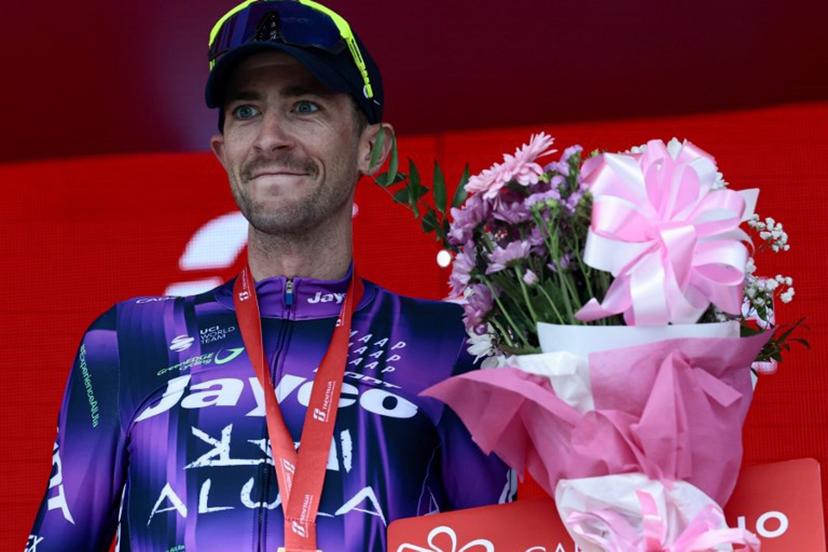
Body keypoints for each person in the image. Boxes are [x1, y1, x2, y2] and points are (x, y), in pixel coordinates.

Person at [27, 1, 513, 550]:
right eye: (246, 111)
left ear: (372, 147)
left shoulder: (450, 345)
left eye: (305, 105)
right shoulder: (129, 341)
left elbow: (495, 540)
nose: (270, 137)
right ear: (222, 152)